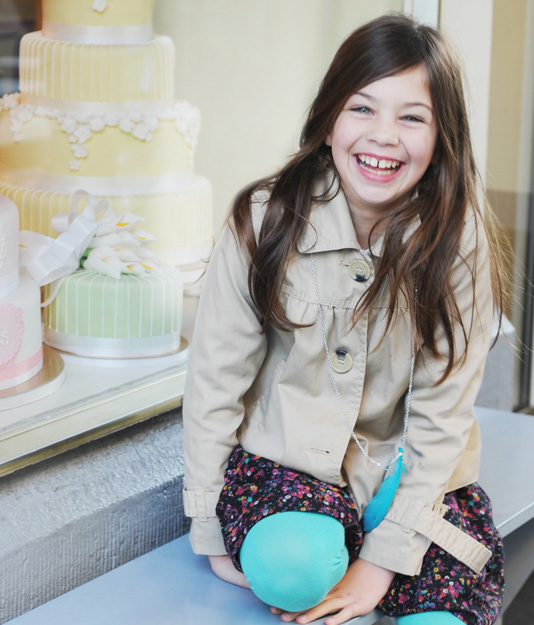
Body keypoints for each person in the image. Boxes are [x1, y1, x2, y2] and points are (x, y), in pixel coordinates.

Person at [183, 12, 509, 625]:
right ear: (329, 117)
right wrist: (209, 524)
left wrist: (381, 562)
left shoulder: (458, 238)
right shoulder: (264, 219)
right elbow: (214, 382)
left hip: (408, 473)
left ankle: (368, 544)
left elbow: (444, 416)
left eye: (412, 117)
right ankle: (324, 540)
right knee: (293, 570)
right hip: (289, 464)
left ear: (442, 136)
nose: (384, 136)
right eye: (362, 108)